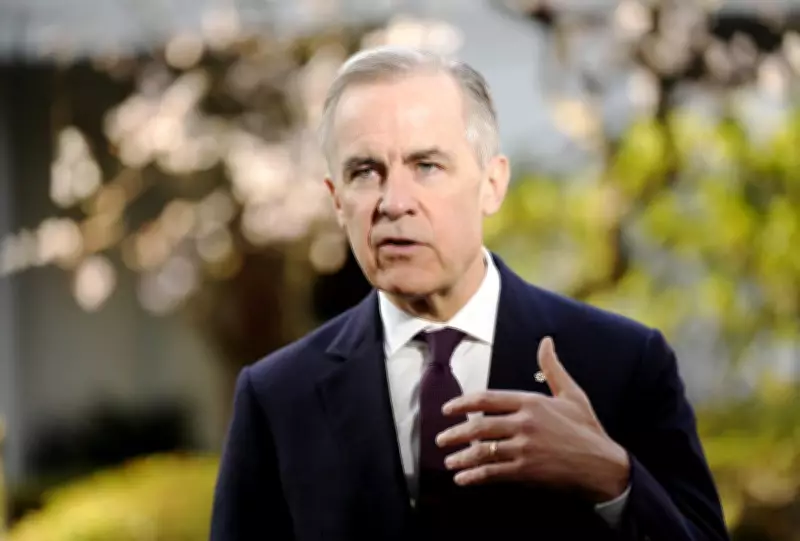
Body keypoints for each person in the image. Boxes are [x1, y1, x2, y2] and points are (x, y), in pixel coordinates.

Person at [210, 46, 730, 541]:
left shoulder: (623, 363)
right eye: (365, 172)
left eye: (426, 166)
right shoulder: (279, 396)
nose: (394, 202)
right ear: (337, 201)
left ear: (491, 184)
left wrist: (612, 478)